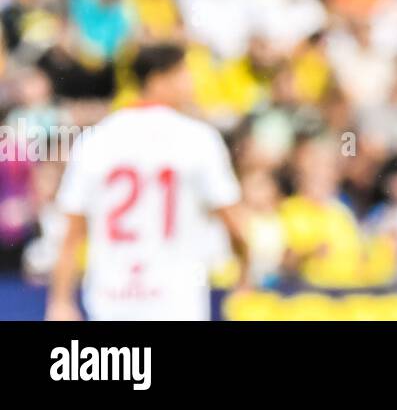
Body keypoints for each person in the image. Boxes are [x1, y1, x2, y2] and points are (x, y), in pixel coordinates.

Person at [45, 44, 247, 321]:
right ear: (157, 79)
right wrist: (245, 276)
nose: (191, 82)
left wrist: (59, 301)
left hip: (112, 300)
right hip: (177, 302)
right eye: (183, 73)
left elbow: (71, 232)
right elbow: (235, 225)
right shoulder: (199, 139)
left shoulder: (95, 139)